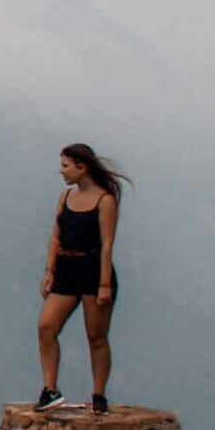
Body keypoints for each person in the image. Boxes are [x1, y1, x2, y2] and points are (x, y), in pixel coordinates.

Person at [33, 142, 130, 413]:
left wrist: (104, 284)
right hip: (66, 267)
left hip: (93, 268)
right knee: (46, 327)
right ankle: (50, 389)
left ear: (81, 167)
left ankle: (99, 395)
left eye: (65, 166)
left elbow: (107, 243)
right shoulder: (65, 198)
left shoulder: (105, 200)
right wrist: (49, 271)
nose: (61, 171)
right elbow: (56, 234)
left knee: (96, 336)